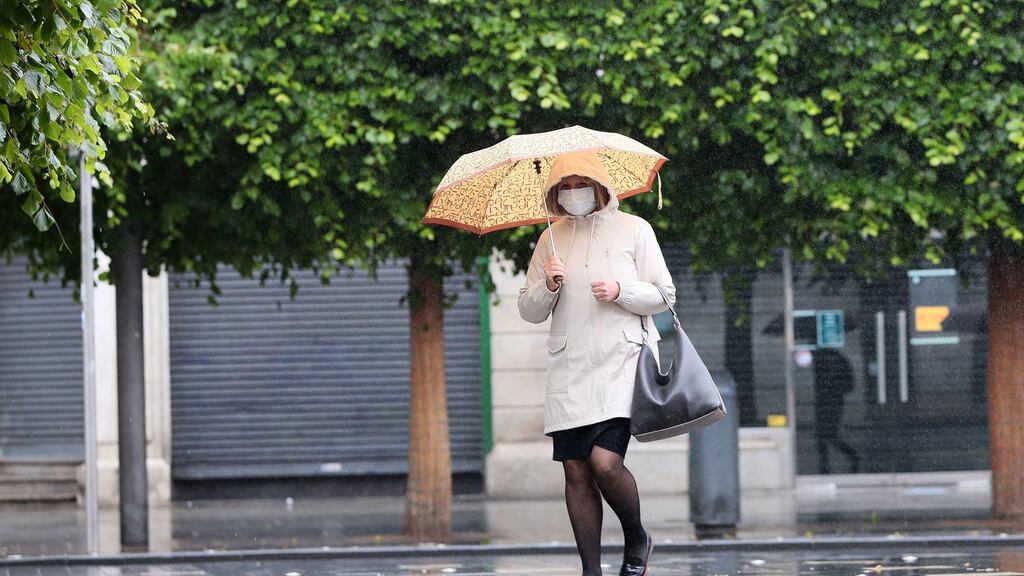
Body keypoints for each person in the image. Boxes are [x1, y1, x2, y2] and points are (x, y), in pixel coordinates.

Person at [518, 151, 676, 576]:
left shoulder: (635, 230)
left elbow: (665, 295)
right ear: (554, 194)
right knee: (575, 470)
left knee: (605, 463)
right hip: (569, 370)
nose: (574, 193)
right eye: (564, 187)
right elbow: (529, 310)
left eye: (580, 184)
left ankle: (637, 536)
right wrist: (548, 286)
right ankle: (591, 570)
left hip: (621, 365)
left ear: (601, 186)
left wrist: (622, 289)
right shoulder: (550, 238)